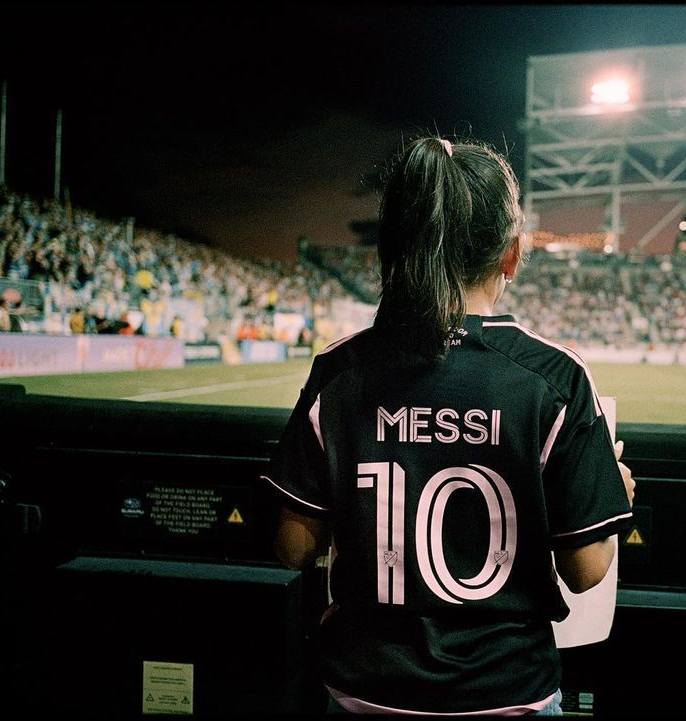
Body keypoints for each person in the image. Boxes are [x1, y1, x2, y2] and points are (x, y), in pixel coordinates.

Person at [267, 136, 635, 715]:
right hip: (508, 691)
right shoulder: (554, 377)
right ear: (512, 255)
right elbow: (586, 571)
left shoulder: (339, 372)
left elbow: (293, 549)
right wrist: (613, 485)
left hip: (365, 689)